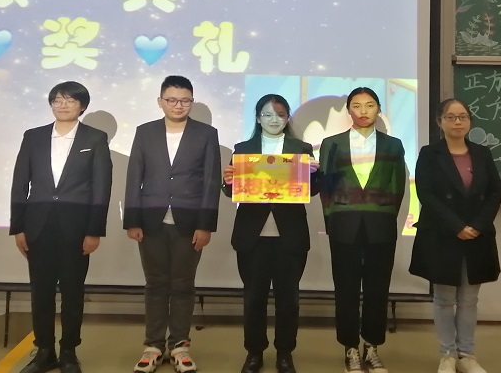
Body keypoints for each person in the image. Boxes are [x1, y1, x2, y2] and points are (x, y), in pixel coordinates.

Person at [10, 81, 112, 373]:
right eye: (57, 100)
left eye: (70, 100)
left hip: (77, 229)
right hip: (37, 226)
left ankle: (68, 351)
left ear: (82, 106)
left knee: (72, 292)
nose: (63, 105)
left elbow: (101, 188)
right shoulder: (33, 136)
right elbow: (20, 183)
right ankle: (44, 351)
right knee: (40, 292)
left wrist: (94, 230)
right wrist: (18, 227)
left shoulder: (95, 138)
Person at [124, 75, 221, 373]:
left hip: (190, 222)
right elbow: (134, 177)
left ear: (192, 101)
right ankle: (153, 346)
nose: (178, 105)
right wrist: (132, 220)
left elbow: (211, 182)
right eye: (172, 100)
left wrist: (205, 225)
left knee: (183, 284)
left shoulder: (206, 134)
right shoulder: (145, 132)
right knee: (155, 283)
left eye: (185, 100)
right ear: (160, 101)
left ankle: (180, 346)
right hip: (150, 220)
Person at [222, 94, 320, 373]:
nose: (274, 120)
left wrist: (315, 174)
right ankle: (254, 352)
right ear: (257, 118)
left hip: (290, 235)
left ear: (287, 118)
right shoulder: (243, 149)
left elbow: (313, 190)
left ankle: (285, 353)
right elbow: (230, 191)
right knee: (254, 298)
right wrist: (228, 180)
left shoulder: (301, 149)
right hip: (252, 236)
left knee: (288, 300)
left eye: (280, 114)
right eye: (267, 114)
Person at [409, 99, 501, 373]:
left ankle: (467, 355)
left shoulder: (482, 153)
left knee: (469, 299)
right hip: (442, 234)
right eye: (450, 117)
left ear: (469, 121)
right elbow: (426, 193)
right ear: (440, 122)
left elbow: (495, 191)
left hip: (477, 235)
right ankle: (447, 355)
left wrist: (478, 225)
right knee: (444, 298)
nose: (457, 122)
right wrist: (456, 226)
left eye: (462, 116)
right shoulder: (429, 154)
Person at [319, 87, 405, 373]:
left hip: (381, 224)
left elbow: (397, 188)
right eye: (357, 106)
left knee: (377, 289)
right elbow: (326, 190)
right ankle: (350, 349)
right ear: (349, 110)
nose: (363, 111)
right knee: (345, 289)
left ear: (378, 109)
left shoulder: (393, 145)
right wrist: (331, 222)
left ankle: (372, 347)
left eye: (369, 105)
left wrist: (385, 216)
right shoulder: (332, 143)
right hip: (343, 224)